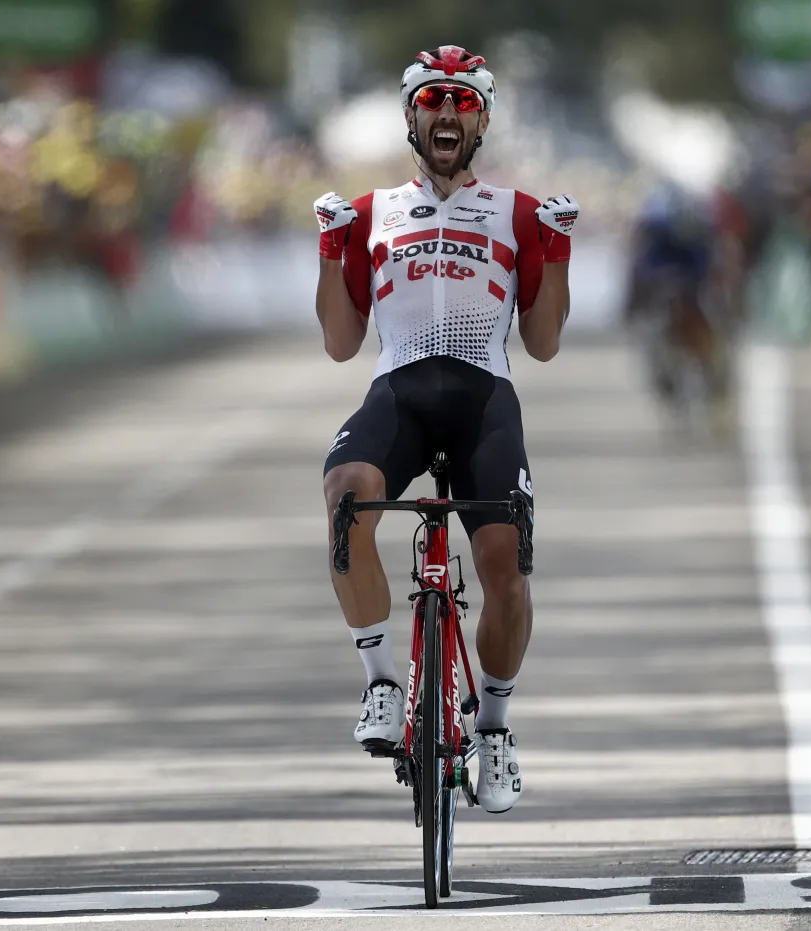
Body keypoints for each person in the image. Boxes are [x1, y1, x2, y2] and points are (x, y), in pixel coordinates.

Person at [313, 45, 579, 814]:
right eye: (433, 100)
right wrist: (331, 251)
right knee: (345, 494)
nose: (447, 114)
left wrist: (556, 253)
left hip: (483, 399)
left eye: (463, 103)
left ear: (483, 119)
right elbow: (339, 343)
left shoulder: (518, 212)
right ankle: (383, 686)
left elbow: (545, 342)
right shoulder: (369, 213)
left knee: (504, 563)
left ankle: (492, 727)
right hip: (397, 388)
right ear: (411, 116)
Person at [622, 179, 732, 432]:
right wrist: (632, 307)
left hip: (693, 273)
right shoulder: (653, 233)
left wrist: (721, 300)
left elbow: (716, 268)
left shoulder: (701, 233)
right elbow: (637, 273)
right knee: (650, 330)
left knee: (712, 317)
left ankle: (718, 378)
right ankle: (664, 383)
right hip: (661, 275)